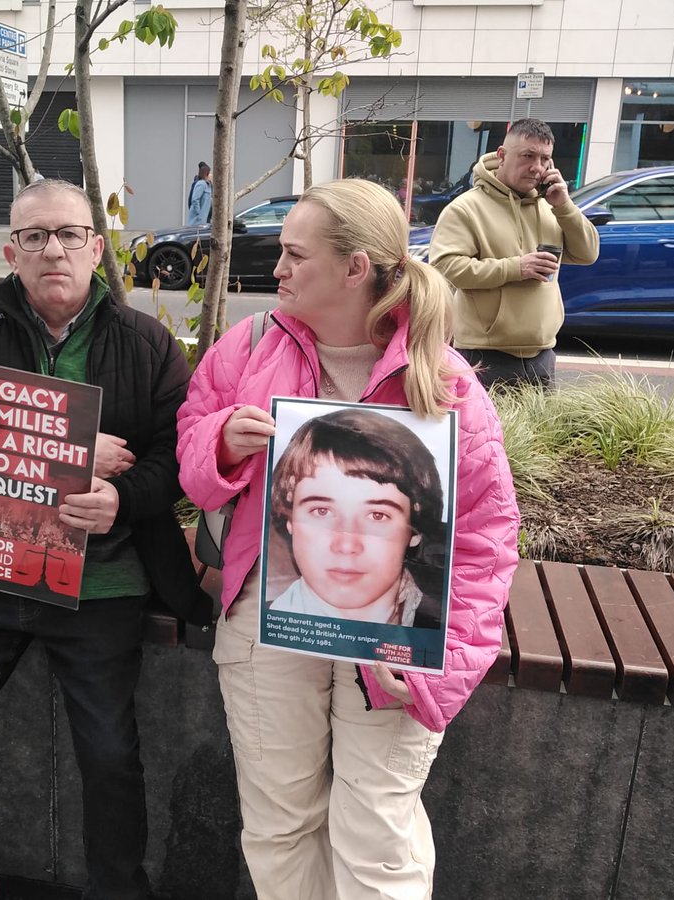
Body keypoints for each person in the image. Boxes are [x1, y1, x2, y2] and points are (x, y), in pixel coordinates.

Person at [177, 178, 519, 899]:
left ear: (355, 267)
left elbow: (486, 541)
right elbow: (194, 463)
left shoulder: (446, 386)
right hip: (268, 619)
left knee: (377, 835)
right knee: (278, 823)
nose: (277, 268)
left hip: (396, 640)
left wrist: (441, 667)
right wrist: (224, 446)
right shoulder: (248, 347)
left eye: (296, 255)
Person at [0, 179, 211, 900]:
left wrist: (120, 500)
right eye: (37, 237)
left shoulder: (147, 340)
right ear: (12, 252)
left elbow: (177, 457)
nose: (54, 249)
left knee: (110, 754)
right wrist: (75, 456)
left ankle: (118, 891)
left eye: (70, 234)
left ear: (97, 247)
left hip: (103, 579)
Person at [428, 118, 600, 389]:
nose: (537, 167)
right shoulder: (465, 208)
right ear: (502, 155)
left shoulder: (551, 207)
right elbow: (444, 268)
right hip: (483, 355)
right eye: (528, 156)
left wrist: (565, 206)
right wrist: (515, 268)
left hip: (542, 354)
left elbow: (588, 253)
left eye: (545, 159)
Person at [267, 408, 445, 629]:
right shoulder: (262, 622)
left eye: (377, 515)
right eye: (322, 511)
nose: (346, 545)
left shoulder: (440, 629)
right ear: (290, 518)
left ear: (415, 530)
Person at [186, 161, 212, 225]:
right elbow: (194, 199)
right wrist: (198, 213)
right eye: (209, 173)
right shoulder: (201, 184)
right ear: (206, 174)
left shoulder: (208, 185)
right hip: (198, 220)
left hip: (204, 218)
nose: (211, 175)